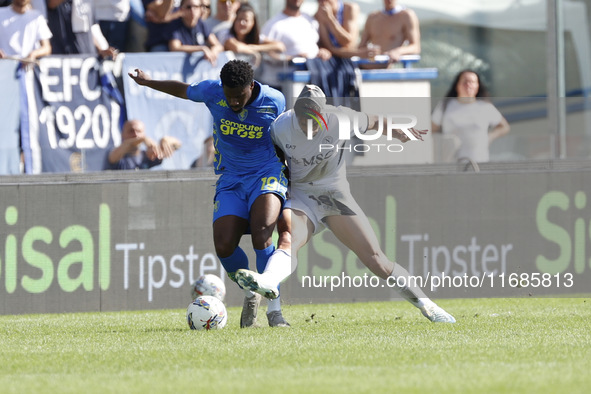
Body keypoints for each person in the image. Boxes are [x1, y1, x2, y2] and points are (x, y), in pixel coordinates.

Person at [235, 84, 456, 324]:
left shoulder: (341, 119)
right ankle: (268, 283)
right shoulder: (281, 126)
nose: (307, 126)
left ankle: (428, 307)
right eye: (302, 119)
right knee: (288, 238)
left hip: (334, 196)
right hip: (300, 197)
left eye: (313, 120)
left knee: (375, 259)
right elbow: (270, 159)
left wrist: (397, 131)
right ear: (295, 113)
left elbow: (373, 121)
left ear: (324, 114)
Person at [128, 59, 291, 328]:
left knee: (263, 233)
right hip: (231, 178)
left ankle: (275, 313)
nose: (234, 102)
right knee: (224, 245)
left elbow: (285, 138)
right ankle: (251, 291)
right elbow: (182, 90)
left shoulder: (275, 100)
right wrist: (148, 82)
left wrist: (292, 179)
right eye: (229, 97)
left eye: (239, 96)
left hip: (266, 173)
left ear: (252, 86)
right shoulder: (212, 91)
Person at [431, 69, 511, 163]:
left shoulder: (485, 107)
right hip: (451, 162)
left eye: (472, 82)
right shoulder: (445, 106)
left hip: (478, 161)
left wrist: (490, 137)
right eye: (465, 82)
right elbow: (432, 129)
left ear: (477, 86)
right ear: (457, 85)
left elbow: (504, 127)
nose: (468, 85)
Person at [46, 0, 118, 57]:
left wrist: (101, 49)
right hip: (62, 57)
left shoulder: (87, 2)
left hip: (86, 57)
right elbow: (51, 4)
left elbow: (91, 27)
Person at [218, 2, 285, 62]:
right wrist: (254, 53)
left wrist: (256, 48)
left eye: (246, 20)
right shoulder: (225, 33)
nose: (242, 23)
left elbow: (280, 46)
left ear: (253, 23)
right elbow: (237, 47)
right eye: (239, 19)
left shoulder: (257, 38)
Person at [359, 0, 420, 64]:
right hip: (370, 67)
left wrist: (398, 51)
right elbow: (361, 47)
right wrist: (368, 52)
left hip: (391, 68)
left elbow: (415, 47)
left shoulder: (406, 16)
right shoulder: (372, 17)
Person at [108, 119, 181, 170]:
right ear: (122, 134)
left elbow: (178, 144)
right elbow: (122, 148)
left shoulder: (147, 156)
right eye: (131, 131)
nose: (135, 134)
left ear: (144, 133)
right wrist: (142, 139)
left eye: (138, 131)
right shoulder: (117, 153)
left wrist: (166, 140)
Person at [0, 0, 52, 66]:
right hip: (3, 67)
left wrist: (33, 54)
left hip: (28, 70)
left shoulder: (37, 17)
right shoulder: (1, 14)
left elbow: (47, 48)